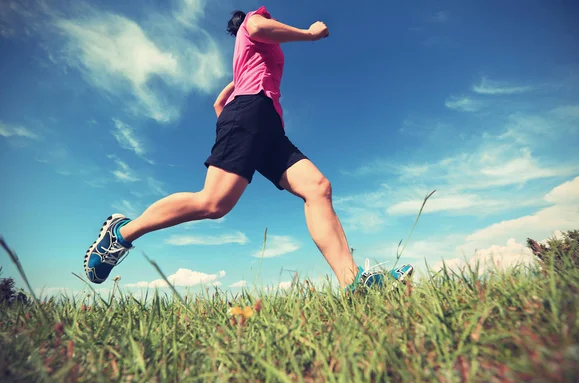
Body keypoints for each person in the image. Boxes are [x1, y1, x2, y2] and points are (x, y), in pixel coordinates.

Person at [83, 6, 413, 292]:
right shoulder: (255, 21)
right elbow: (256, 28)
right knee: (214, 203)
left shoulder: (249, 61)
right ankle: (121, 232)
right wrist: (309, 34)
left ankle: (351, 282)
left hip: (268, 126)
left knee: (318, 188)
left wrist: (237, 91)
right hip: (251, 112)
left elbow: (217, 104)